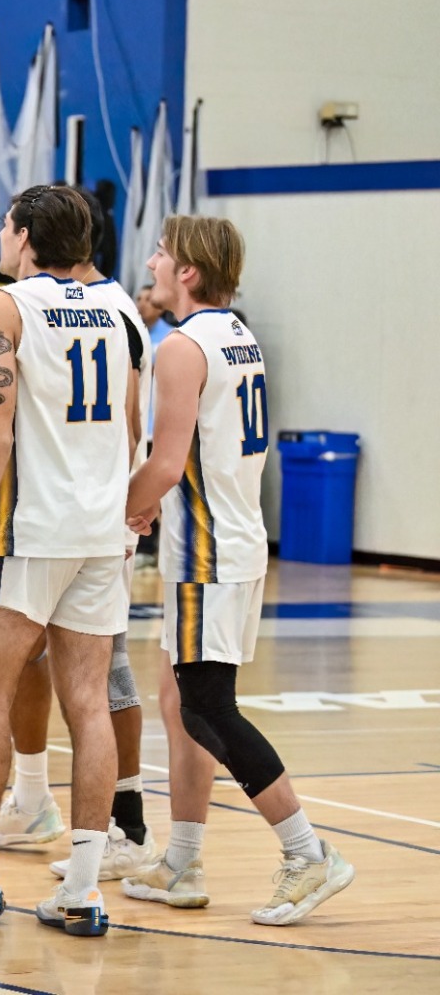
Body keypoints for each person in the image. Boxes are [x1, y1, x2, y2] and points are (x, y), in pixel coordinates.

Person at [121, 216, 353, 925]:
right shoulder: (237, 335)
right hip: (233, 538)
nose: (153, 263)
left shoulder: (182, 347)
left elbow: (166, 463)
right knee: (178, 702)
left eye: (162, 253)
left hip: (209, 551)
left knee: (206, 707)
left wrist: (120, 514)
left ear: (188, 272)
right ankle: (182, 859)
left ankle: (308, 852)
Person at [0, 185, 133, 939]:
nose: (2, 236)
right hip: (101, 531)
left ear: (23, 236)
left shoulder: (0, 307)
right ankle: (83, 887)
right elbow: (131, 422)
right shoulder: (119, 306)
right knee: (89, 703)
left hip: (26, 529)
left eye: (6, 226)